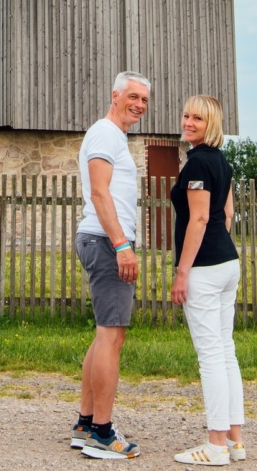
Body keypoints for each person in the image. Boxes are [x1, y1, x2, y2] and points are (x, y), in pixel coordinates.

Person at [71, 71, 151, 460]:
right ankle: (102, 433)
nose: (138, 104)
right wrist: (122, 245)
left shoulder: (112, 136)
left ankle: (86, 423)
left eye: (144, 100)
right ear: (114, 94)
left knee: (105, 335)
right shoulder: (104, 132)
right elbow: (99, 191)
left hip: (101, 239)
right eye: (133, 96)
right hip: (106, 241)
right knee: (112, 337)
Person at [170, 95, 246, 466]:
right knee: (226, 352)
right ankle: (235, 440)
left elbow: (199, 220)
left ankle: (215, 446)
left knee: (211, 357)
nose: (188, 122)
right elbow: (227, 214)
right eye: (186, 116)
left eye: (197, 118)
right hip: (228, 262)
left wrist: (183, 271)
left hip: (204, 268)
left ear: (210, 123)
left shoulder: (198, 163)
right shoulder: (222, 162)